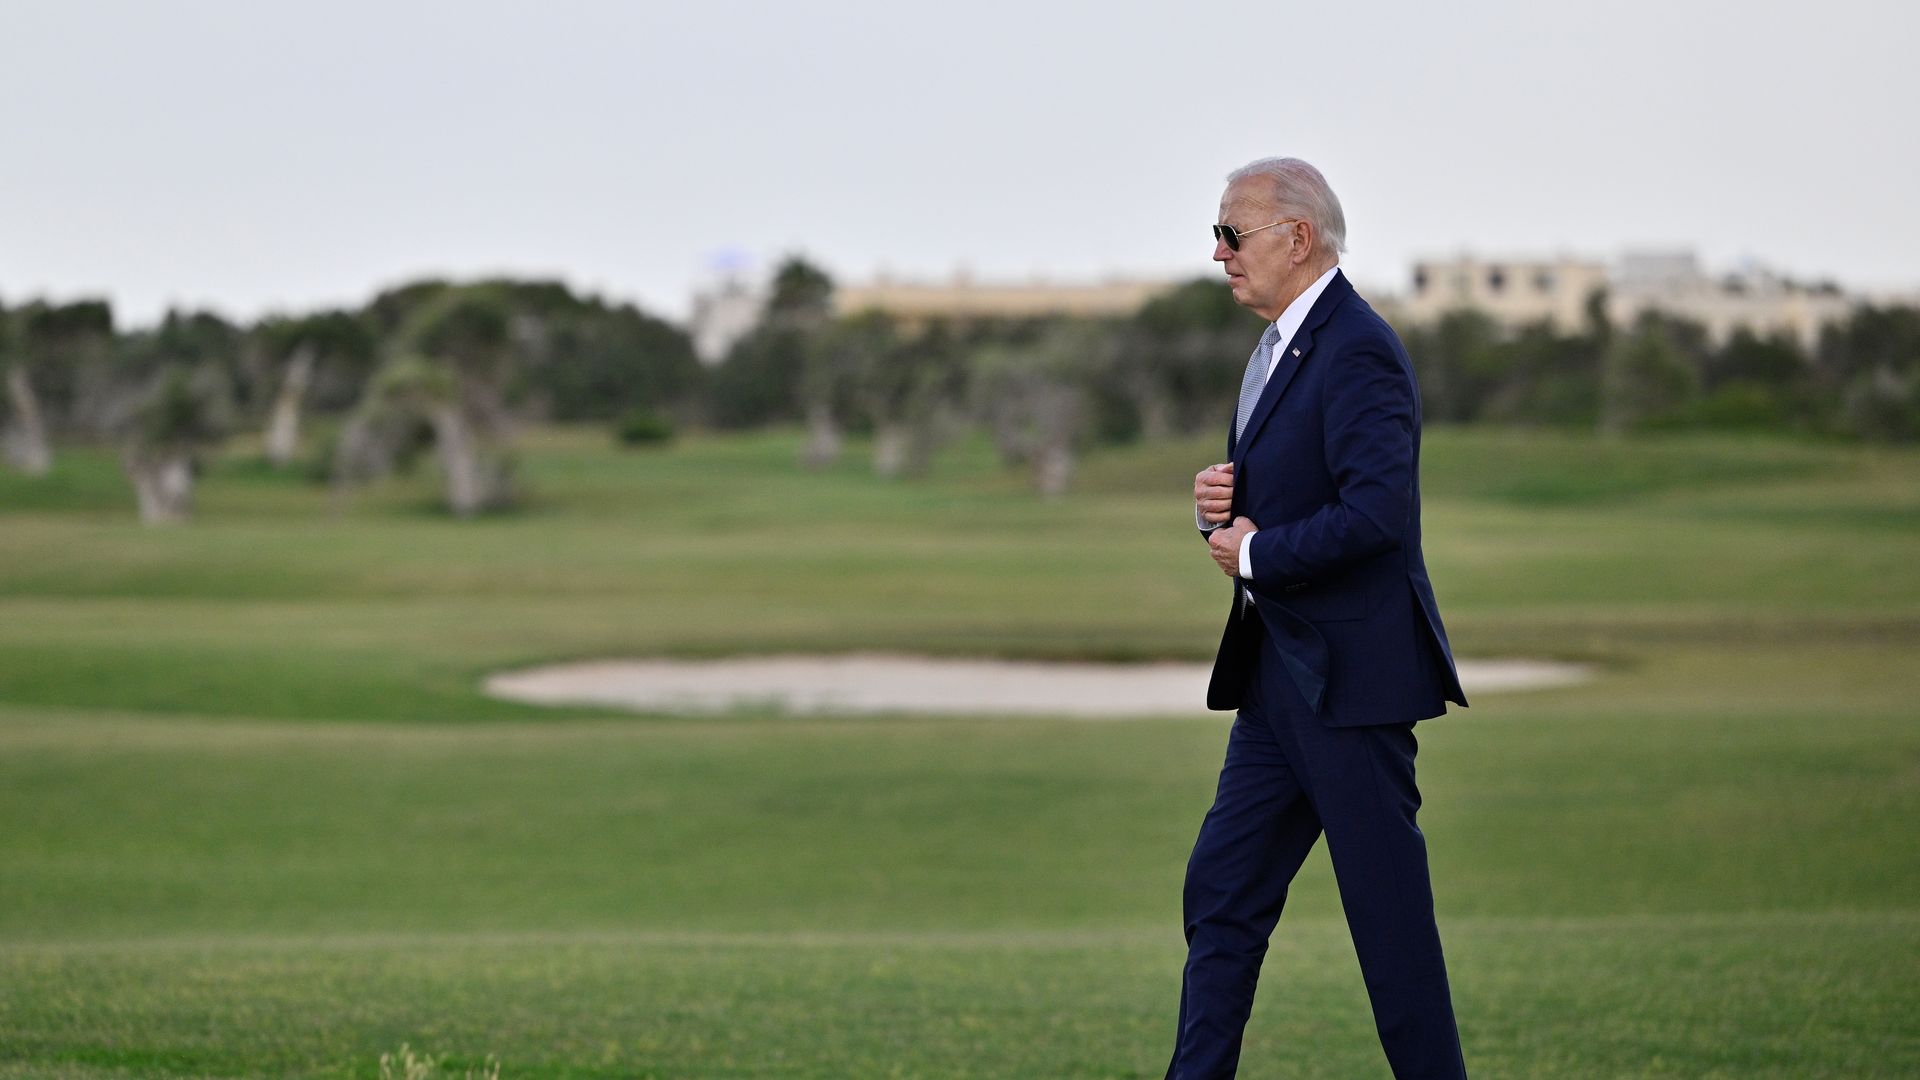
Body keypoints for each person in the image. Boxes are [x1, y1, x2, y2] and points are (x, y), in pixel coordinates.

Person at [1166, 157, 1471, 1079]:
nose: (1219, 253)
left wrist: (1256, 552)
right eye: (1218, 233)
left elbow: (1378, 516)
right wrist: (1220, 505)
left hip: (1352, 685)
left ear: (1297, 239)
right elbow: (1296, 490)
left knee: (1389, 930)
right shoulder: (1275, 347)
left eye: (1233, 233)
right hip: (1276, 682)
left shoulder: (1359, 346)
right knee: (1220, 896)